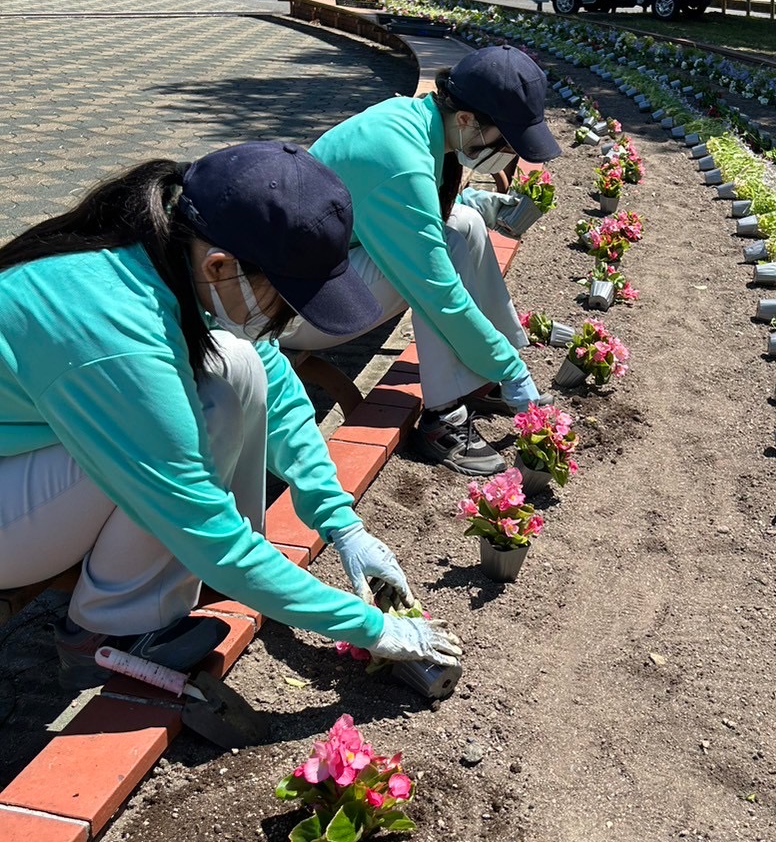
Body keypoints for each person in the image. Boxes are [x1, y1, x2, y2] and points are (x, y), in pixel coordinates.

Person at [0, 142, 462, 693]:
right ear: (220, 266)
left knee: (233, 365)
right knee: (172, 460)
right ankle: (110, 631)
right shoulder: (115, 333)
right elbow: (199, 518)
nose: (289, 319)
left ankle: (195, 581)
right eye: (288, 299)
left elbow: (273, 380)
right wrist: (371, 628)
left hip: (22, 458)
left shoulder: (171, 250)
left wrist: (341, 524)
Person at [283, 46, 561, 476]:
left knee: (464, 223)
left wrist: (475, 201)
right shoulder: (399, 160)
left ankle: (479, 376)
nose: (507, 152)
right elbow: (437, 291)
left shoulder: (413, 120)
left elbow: (402, 206)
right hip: (287, 312)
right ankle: (442, 417)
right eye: (504, 140)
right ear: (465, 119)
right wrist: (512, 369)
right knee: (437, 267)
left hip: (317, 277)